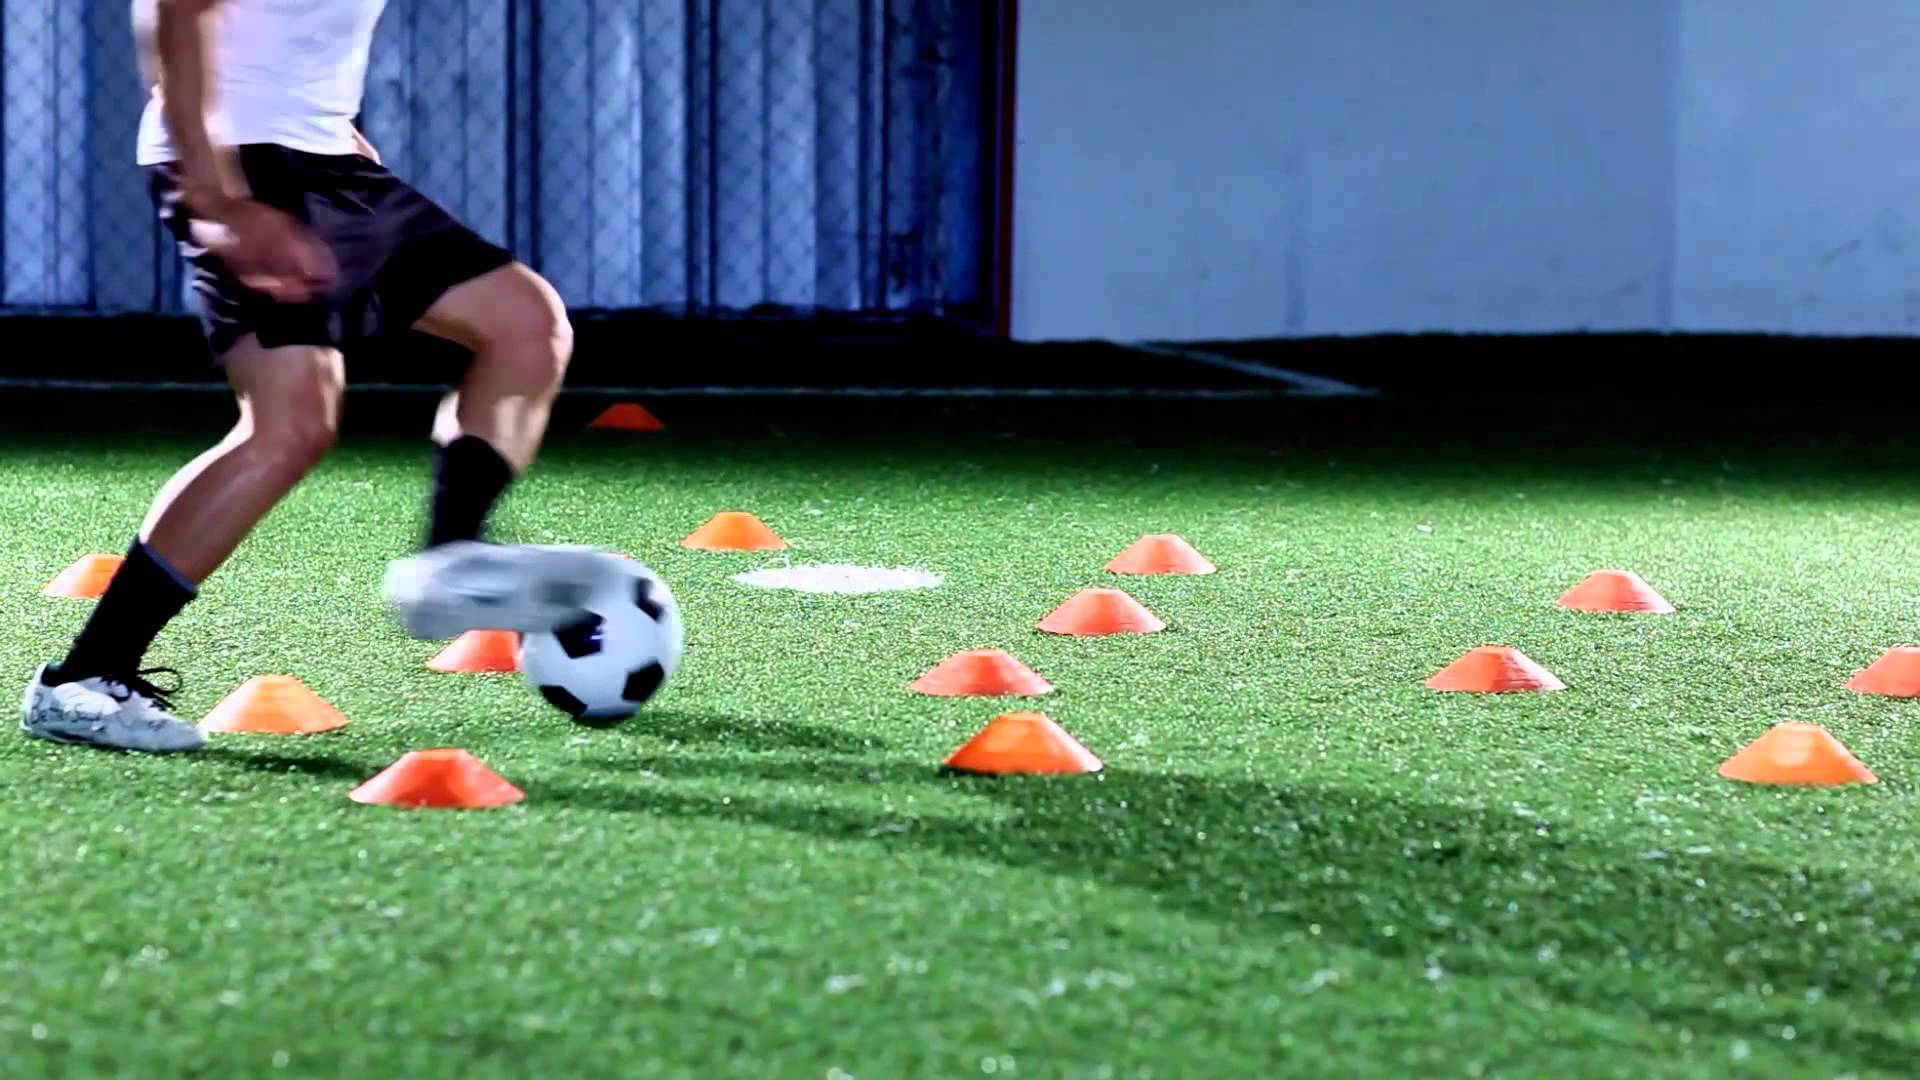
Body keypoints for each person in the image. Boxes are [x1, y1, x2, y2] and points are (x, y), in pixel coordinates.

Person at [20, 0, 616, 752]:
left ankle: (452, 555)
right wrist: (217, 195)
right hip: (240, 160)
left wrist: (354, 159)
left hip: (328, 161)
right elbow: (173, 9)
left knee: (526, 323)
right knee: (287, 426)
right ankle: (86, 677)